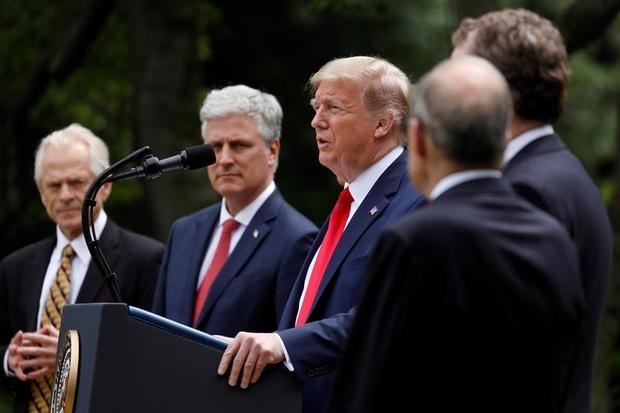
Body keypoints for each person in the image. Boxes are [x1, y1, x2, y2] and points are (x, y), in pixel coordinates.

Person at [327, 55, 585, 413]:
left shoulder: (414, 240)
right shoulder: (552, 237)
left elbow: (368, 384)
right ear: (504, 138)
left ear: (417, 138)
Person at [216, 56, 424, 412]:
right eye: (316, 107)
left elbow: (396, 315)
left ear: (383, 123)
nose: (316, 120)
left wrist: (284, 346)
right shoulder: (351, 199)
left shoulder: (418, 199)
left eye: (333, 108)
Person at [451, 9, 613, 412]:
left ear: (500, 90)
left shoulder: (527, 191)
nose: (444, 96)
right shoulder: (558, 173)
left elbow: (505, 357)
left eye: (456, 81)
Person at [0, 124, 164, 413]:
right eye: (53, 185)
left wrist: (72, 356)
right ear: (40, 192)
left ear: (107, 185)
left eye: (77, 183)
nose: (65, 195)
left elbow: (154, 359)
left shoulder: (146, 258)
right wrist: (10, 360)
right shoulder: (16, 267)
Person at [152, 85, 318, 336]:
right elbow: (157, 331)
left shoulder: (298, 239)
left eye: (239, 145)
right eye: (215, 147)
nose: (225, 159)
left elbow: (290, 349)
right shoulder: (184, 231)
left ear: (272, 151)